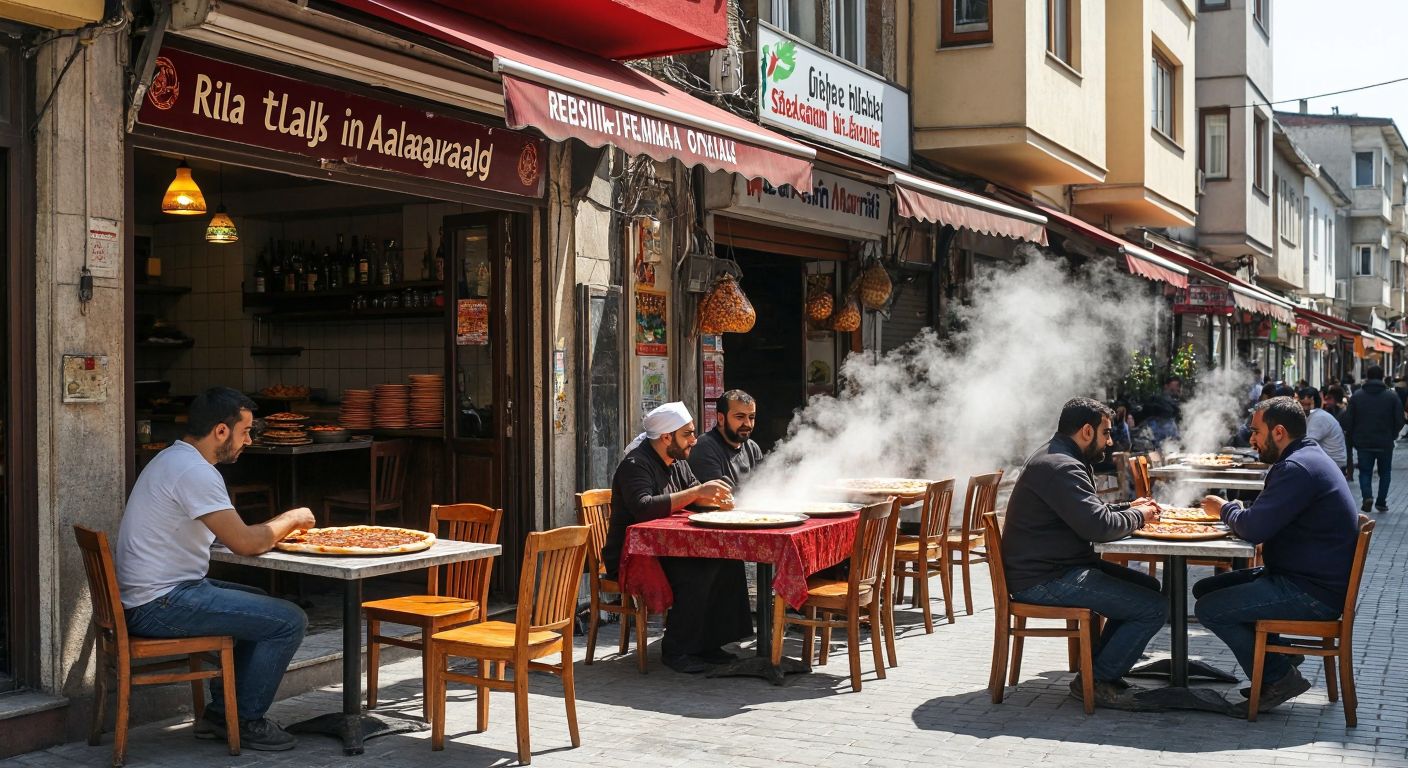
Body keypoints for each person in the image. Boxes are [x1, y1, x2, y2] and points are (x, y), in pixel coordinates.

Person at [116, 387, 315, 751]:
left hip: (152, 596)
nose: (249, 441)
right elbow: (246, 543)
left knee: (260, 602)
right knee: (289, 620)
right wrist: (293, 518)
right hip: (159, 603)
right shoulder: (194, 471)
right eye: (246, 431)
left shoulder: (170, 458)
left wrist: (258, 532)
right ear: (221, 431)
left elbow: (230, 536)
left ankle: (222, 713)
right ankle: (246, 720)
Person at [1193, 397, 1359, 715]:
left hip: (1311, 593)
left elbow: (1254, 529)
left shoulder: (1297, 468)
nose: (1252, 439)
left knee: (1209, 608)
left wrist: (1224, 509)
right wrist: (1241, 514)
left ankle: (1278, 676)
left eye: (1256, 431)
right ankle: (1279, 656)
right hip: (1304, 579)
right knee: (1205, 588)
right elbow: (1264, 518)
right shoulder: (1306, 458)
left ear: (1279, 432)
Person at [1000, 397, 1166, 710]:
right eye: (1106, 433)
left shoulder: (1060, 457)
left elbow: (1089, 512)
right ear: (1087, 431)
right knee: (1153, 607)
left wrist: (1128, 507)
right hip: (1043, 579)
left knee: (1149, 588)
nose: (1110, 441)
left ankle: (1098, 668)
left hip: (1055, 568)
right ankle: (1097, 680)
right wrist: (1140, 516)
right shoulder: (1061, 466)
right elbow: (1098, 527)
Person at [602, 402, 749, 674]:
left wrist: (715, 501)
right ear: (666, 437)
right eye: (687, 434)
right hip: (634, 556)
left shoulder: (678, 462)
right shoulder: (635, 464)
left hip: (668, 549)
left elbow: (694, 493)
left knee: (728, 561)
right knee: (698, 570)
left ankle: (709, 644)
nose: (694, 440)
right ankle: (677, 649)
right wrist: (697, 493)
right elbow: (644, 507)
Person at [1343, 365, 1403, 512]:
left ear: (1367, 377)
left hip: (1363, 442)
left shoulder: (1357, 396)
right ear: (1382, 377)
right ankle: (1381, 502)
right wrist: (1393, 434)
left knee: (1365, 471)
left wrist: (1353, 437)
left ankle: (1367, 497)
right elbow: (1400, 420)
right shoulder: (1391, 397)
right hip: (1385, 442)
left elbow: (1348, 421)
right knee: (1385, 472)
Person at [686, 390, 763, 488]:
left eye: (751, 417)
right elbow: (718, 494)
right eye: (740, 417)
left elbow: (763, 486)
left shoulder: (753, 448)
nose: (747, 424)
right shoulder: (704, 448)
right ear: (721, 418)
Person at [1297, 387, 1347, 470]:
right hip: (1329, 461)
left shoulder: (1319, 417)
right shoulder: (1314, 415)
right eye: (1302, 404)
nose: (1304, 408)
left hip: (1333, 463)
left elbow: (1307, 442)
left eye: (1308, 404)